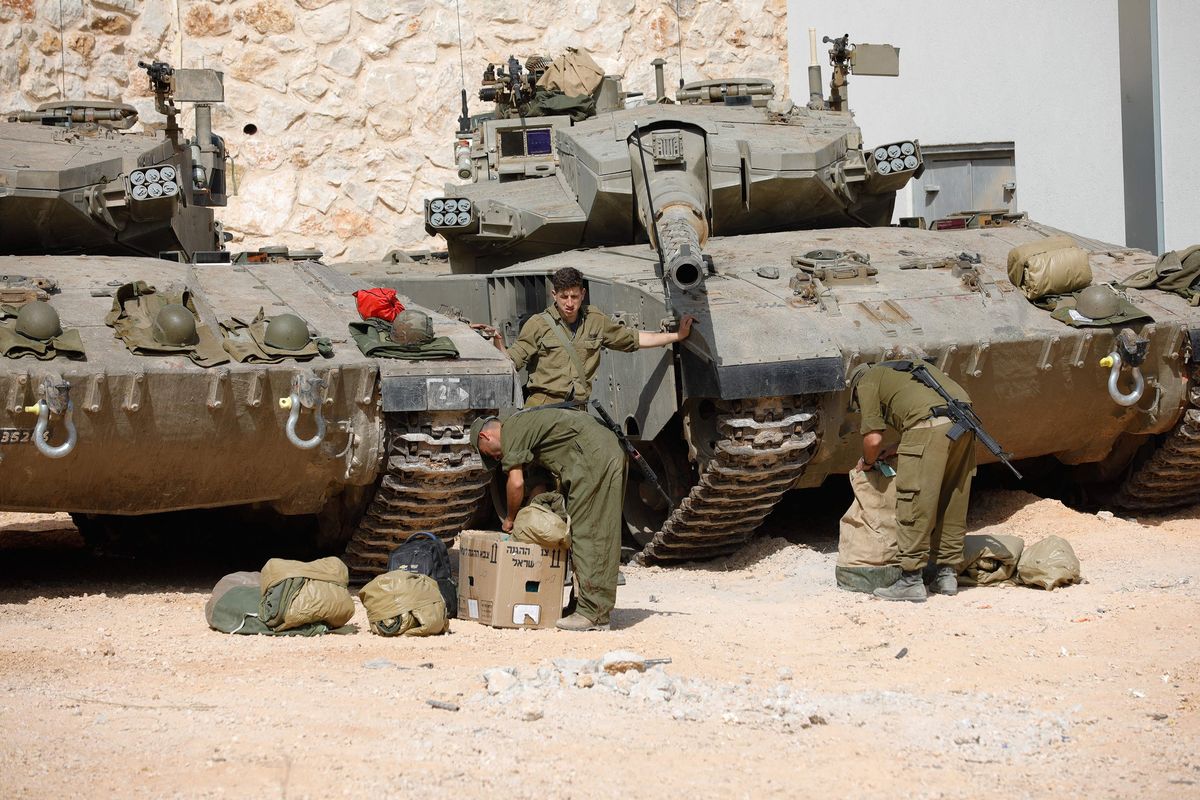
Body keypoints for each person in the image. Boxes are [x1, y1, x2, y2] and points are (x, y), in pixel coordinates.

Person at [470, 408, 625, 631]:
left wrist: (510, 519)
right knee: (598, 527)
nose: (493, 457)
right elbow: (538, 486)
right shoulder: (524, 427)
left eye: (486, 453)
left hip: (593, 457)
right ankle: (585, 605)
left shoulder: (511, 432)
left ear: (486, 436)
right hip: (604, 447)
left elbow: (516, 483)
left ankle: (593, 615)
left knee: (589, 531)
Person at [475, 266, 695, 407]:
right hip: (544, 406)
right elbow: (511, 363)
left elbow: (633, 339)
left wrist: (677, 335)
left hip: (577, 408)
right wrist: (498, 341)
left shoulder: (594, 320)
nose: (569, 303)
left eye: (574, 296)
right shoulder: (538, 324)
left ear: (583, 294)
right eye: (563, 297)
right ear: (554, 295)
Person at [849, 360, 976, 602]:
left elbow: (873, 439)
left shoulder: (866, 380)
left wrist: (867, 462)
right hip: (965, 423)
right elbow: (936, 410)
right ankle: (946, 574)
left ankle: (910, 579)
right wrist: (899, 447)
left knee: (915, 499)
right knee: (952, 496)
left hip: (928, 427)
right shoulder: (909, 369)